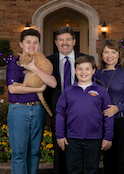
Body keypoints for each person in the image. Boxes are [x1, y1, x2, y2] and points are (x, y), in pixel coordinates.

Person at [6, 29, 57, 174]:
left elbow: (52, 83)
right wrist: (38, 88)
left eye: (35, 43)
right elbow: (13, 89)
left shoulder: (42, 61)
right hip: (19, 110)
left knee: (34, 153)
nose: (32, 46)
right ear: (21, 44)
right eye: (28, 42)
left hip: (38, 109)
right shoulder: (14, 63)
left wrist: (33, 68)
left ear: (39, 45)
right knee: (19, 154)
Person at [55, 55, 114, 174]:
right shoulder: (68, 91)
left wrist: (108, 137)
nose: (83, 72)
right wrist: (60, 135)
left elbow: (108, 115)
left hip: (94, 138)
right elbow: (60, 113)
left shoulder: (101, 91)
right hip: (72, 139)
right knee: (72, 170)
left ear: (93, 71)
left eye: (87, 69)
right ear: (75, 71)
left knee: (92, 170)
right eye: (80, 69)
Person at [93, 39, 124, 174]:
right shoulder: (96, 74)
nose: (109, 55)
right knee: (107, 157)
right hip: (102, 120)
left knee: (122, 157)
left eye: (113, 52)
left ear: (119, 55)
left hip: (122, 119)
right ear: (101, 55)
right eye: (106, 52)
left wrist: (117, 108)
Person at [44, 26, 85, 174]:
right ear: (56, 42)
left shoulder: (85, 60)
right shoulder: (48, 62)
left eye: (68, 39)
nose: (64, 43)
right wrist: (48, 112)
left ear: (74, 41)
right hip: (57, 113)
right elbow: (44, 89)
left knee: (80, 149)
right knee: (59, 149)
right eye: (61, 40)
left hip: (81, 113)